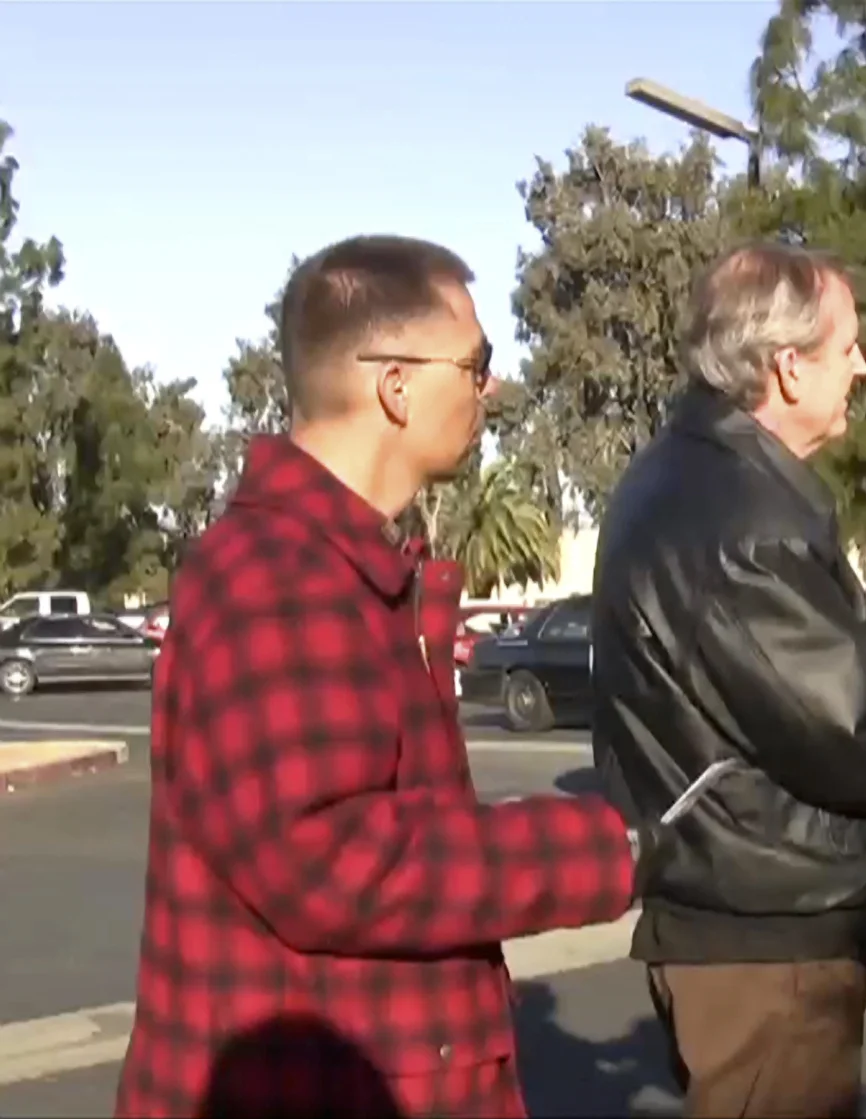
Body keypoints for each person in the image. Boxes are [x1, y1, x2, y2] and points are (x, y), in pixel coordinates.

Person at [115, 235, 647, 1119]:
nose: (491, 389)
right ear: (395, 386)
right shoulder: (277, 578)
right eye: (476, 363)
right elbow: (331, 860)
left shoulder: (350, 571)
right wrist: (613, 846)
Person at [590, 241, 866, 1119]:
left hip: (737, 914)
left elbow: (778, 674)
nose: (862, 366)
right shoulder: (743, 517)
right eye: (847, 347)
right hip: (764, 940)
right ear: (788, 368)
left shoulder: (696, 477)